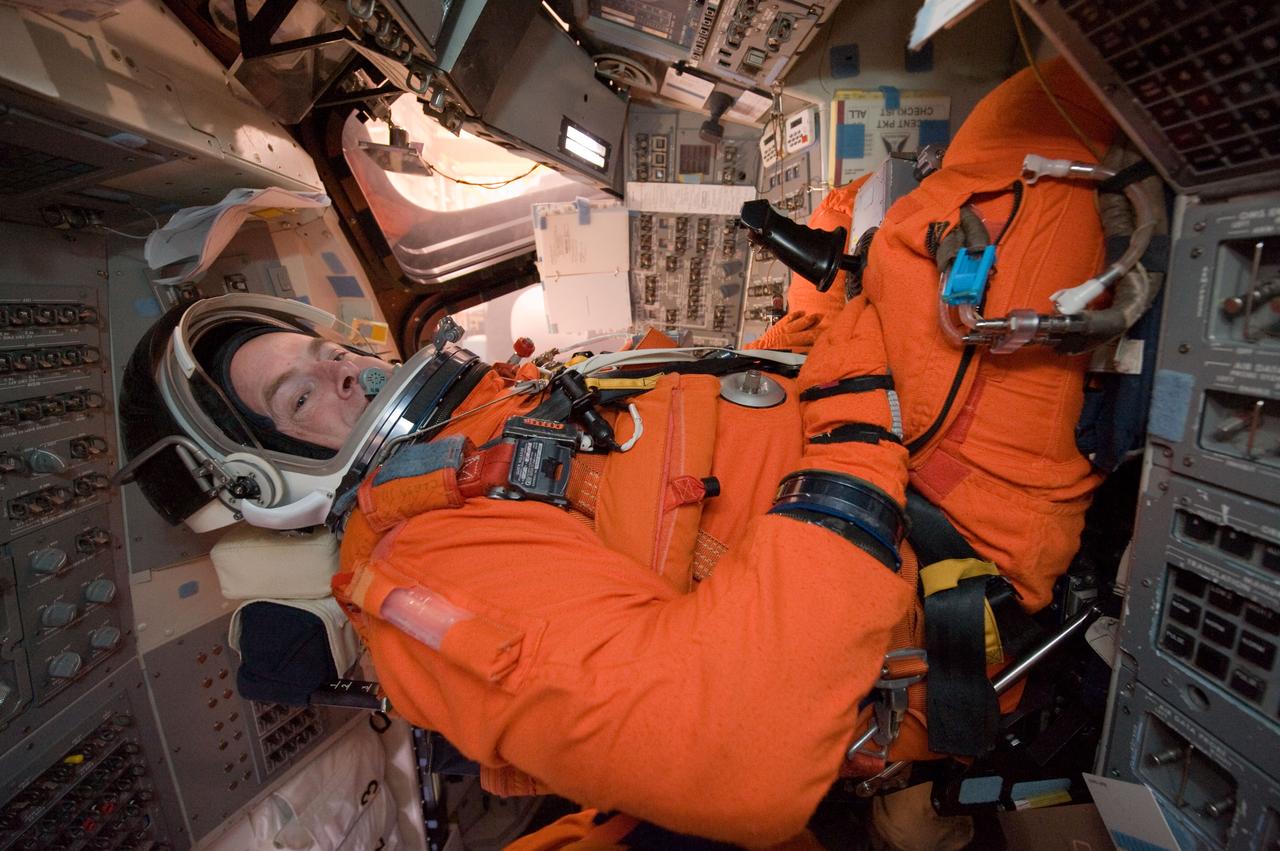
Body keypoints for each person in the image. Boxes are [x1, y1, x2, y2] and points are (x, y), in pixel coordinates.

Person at [121, 59, 1129, 848]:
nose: (346, 368)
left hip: (888, 440)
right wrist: (856, 388)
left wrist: (828, 298)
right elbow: (734, 745)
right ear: (269, 479)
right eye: (301, 392)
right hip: (941, 535)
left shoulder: (498, 413)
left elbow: (737, 409)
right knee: (1033, 134)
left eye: (324, 349)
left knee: (882, 200)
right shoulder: (420, 570)